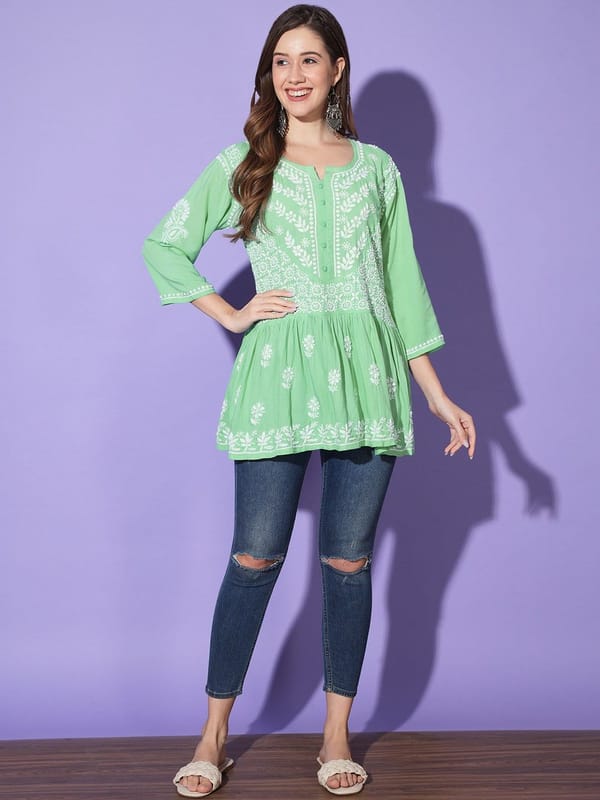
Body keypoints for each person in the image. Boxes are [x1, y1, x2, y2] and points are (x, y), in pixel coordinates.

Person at [143, 4, 475, 796]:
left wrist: (436, 393)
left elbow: (403, 288)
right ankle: (212, 737)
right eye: (280, 61)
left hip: (367, 380)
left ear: (337, 70)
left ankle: (335, 737)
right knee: (255, 556)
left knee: (348, 564)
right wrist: (229, 312)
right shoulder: (246, 162)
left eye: (309, 59)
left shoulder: (377, 169)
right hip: (278, 382)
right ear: (270, 74)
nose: (293, 75)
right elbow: (165, 245)